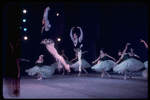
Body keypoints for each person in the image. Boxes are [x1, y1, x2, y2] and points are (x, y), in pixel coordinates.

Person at [40, 7, 70, 73]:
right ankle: (60, 65)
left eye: (43, 20)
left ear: (45, 22)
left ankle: (66, 65)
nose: (42, 21)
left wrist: (47, 10)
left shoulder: (46, 26)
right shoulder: (43, 28)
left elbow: (45, 17)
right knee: (55, 55)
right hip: (48, 43)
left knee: (57, 55)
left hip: (49, 43)